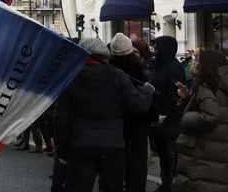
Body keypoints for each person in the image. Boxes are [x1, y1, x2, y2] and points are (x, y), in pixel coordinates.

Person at [55, 38, 154, 192]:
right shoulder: (118, 76)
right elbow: (138, 106)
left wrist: (62, 151)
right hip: (113, 145)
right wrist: (147, 92)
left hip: (81, 143)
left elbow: (61, 118)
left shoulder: (71, 77)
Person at [174, 49, 228, 192]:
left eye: (197, 59)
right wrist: (187, 97)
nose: (193, 62)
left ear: (205, 65)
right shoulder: (220, 84)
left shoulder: (205, 86)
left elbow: (210, 115)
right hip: (219, 149)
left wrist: (185, 118)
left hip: (205, 150)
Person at [108, 33, 154, 192]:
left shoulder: (108, 72)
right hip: (136, 130)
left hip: (115, 129)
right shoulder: (139, 72)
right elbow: (142, 106)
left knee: (113, 176)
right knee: (136, 173)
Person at [149, 36, 186, 192]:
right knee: (163, 153)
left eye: (157, 48)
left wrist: (169, 114)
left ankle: (170, 183)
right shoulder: (159, 65)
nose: (154, 51)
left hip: (170, 119)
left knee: (170, 153)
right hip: (158, 116)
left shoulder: (174, 67)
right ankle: (165, 182)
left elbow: (177, 95)